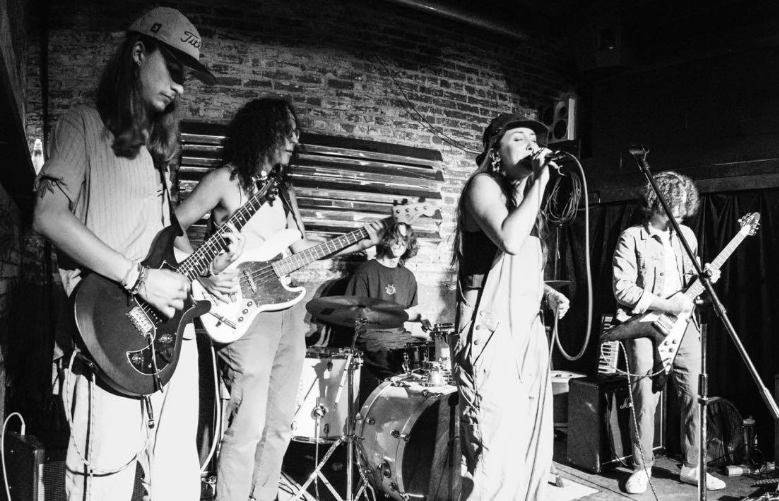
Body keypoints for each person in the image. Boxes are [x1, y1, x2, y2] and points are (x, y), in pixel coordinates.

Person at [32, 7, 243, 500]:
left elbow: (168, 240)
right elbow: (47, 215)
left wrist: (205, 271)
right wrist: (137, 278)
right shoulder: (82, 125)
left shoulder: (157, 152)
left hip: (170, 338)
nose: (181, 88)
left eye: (186, 77)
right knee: (103, 484)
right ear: (138, 51)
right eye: (173, 70)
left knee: (176, 483)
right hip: (106, 335)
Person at [174, 97, 384, 501]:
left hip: (287, 312)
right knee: (247, 426)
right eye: (287, 130)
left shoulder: (283, 192)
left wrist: (360, 238)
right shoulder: (223, 180)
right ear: (262, 131)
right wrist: (202, 273)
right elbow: (174, 224)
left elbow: (302, 248)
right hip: (243, 313)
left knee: (281, 424)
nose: (295, 139)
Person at [451, 113, 570, 500]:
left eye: (534, 139)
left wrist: (547, 294)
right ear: (495, 151)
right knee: (497, 454)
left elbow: (518, 267)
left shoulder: (523, 198)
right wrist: (540, 182)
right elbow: (509, 239)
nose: (531, 144)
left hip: (527, 330)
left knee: (533, 451)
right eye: (518, 138)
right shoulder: (481, 185)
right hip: (492, 329)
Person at [612, 171, 725, 494]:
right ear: (654, 202)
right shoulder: (632, 237)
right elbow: (623, 290)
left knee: (694, 395)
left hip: (684, 325)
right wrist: (665, 304)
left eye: (683, 203)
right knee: (645, 398)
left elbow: (691, 283)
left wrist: (706, 276)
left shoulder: (687, 236)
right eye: (672, 203)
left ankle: (692, 466)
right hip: (645, 325)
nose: (679, 210)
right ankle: (642, 466)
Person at [345, 221, 426, 401]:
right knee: (398, 375)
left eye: (405, 238)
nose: (399, 242)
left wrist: (423, 319)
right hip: (373, 340)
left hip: (399, 338)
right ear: (385, 239)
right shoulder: (366, 271)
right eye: (395, 237)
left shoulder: (407, 276)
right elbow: (354, 312)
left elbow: (406, 313)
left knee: (430, 356)